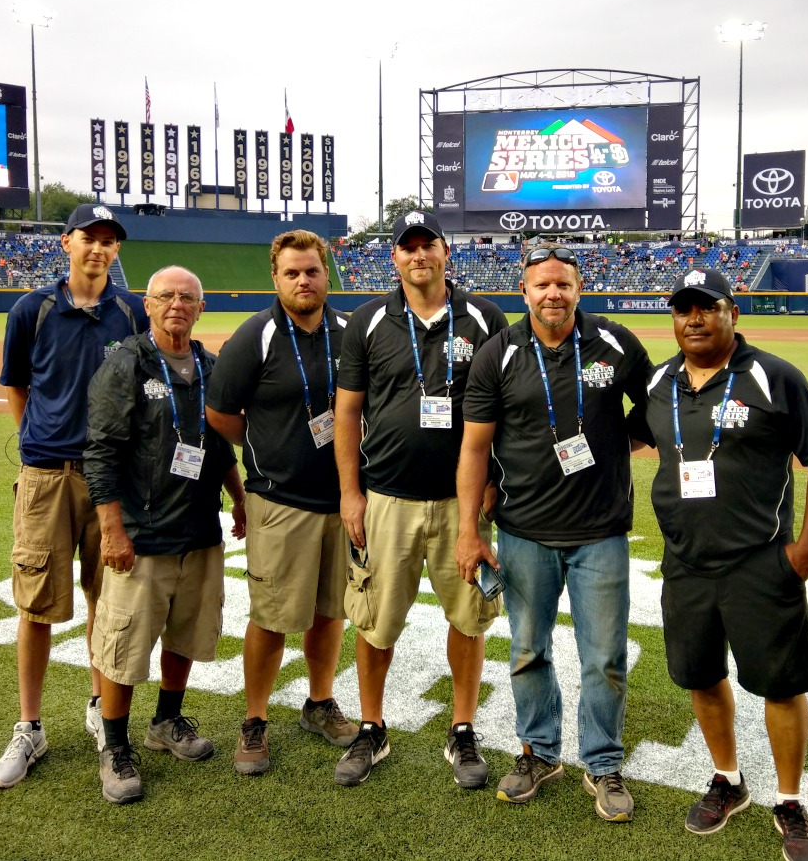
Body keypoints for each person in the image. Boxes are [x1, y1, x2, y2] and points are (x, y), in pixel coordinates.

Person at [628, 269, 808, 861]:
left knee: (780, 683)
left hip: (759, 562)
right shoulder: (659, 381)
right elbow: (624, 439)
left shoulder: (772, 377)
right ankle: (728, 779)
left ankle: (790, 799)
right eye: (682, 309)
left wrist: (805, 551)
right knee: (700, 676)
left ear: (732, 313)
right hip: (685, 563)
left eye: (706, 307)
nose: (693, 318)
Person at [456, 246, 653, 822]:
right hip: (524, 533)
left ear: (578, 287)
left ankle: (603, 763)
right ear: (524, 292)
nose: (553, 294)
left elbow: (655, 411)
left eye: (563, 284)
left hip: (601, 532)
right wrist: (470, 530)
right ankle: (538, 752)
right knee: (526, 651)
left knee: (605, 658)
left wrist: (613, 448)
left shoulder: (615, 343)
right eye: (541, 285)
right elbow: (473, 447)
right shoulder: (498, 352)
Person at [333, 211, 507, 788]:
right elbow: (349, 411)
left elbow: (504, 413)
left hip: (462, 504)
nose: (418, 256)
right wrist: (351, 493)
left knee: (469, 617)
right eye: (406, 248)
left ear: (444, 252)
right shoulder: (368, 320)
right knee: (375, 620)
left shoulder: (484, 318)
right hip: (387, 497)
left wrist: (491, 489)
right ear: (395, 259)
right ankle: (371, 727)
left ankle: (462, 730)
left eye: (427, 245)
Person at [0, 204, 147, 789]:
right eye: (90, 238)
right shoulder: (32, 309)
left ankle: (100, 713)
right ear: (67, 243)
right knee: (35, 607)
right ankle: (29, 726)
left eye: (110, 242)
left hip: (112, 480)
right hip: (47, 477)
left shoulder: (131, 312)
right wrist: (40, 446)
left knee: (110, 606)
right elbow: (17, 386)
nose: (99, 250)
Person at [83, 265, 245, 804]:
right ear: (147, 305)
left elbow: (219, 446)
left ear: (201, 309)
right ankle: (114, 744)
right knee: (124, 646)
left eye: (188, 297)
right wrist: (112, 529)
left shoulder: (210, 366)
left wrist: (239, 498)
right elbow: (101, 451)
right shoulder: (124, 364)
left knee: (186, 635)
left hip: (198, 529)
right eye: (166, 296)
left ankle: (167, 721)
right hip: (142, 533)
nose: (177, 304)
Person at [206, 230, 359, 777]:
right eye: (292, 272)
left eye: (312, 271)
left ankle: (319, 703)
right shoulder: (257, 335)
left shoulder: (351, 332)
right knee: (271, 617)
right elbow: (221, 414)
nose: (303, 281)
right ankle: (255, 720)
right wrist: (265, 444)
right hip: (279, 500)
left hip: (342, 500)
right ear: (275, 277)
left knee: (330, 610)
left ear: (326, 275)